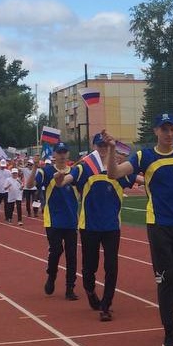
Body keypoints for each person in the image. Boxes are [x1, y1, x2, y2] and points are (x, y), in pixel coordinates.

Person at [109, 113, 173, 346]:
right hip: (159, 225)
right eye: (164, 129)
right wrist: (113, 149)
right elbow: (114, 173)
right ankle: (170, 335)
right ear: (156, 131)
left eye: (172, 129)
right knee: (166, 279)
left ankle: (168, 306)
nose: (169, 133)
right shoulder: (145, 155)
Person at [66, 134, 134, 322]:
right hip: (89, 226)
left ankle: (106, 305)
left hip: (112, 226)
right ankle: (90, 290)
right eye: (100, 145)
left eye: (106, 145)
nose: (103, 148)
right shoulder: (85, 167)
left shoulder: (118, 170)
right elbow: (70, 177)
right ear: (94, 146)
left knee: (111, 266)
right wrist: (60, 179)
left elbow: (140, 178)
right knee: (89, 266)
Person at [38, 144, 80, 301]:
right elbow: (31, 184)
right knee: (56, 251)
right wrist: (35, 168)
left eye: (64, 152)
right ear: (54, 154)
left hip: (71, 221)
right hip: (53, 220)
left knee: (72, 255)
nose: (62, 155)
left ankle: (70, 287)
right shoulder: (47, 171)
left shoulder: (76, 172)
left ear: (68, 154)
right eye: (59, 152)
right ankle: (51, 275)